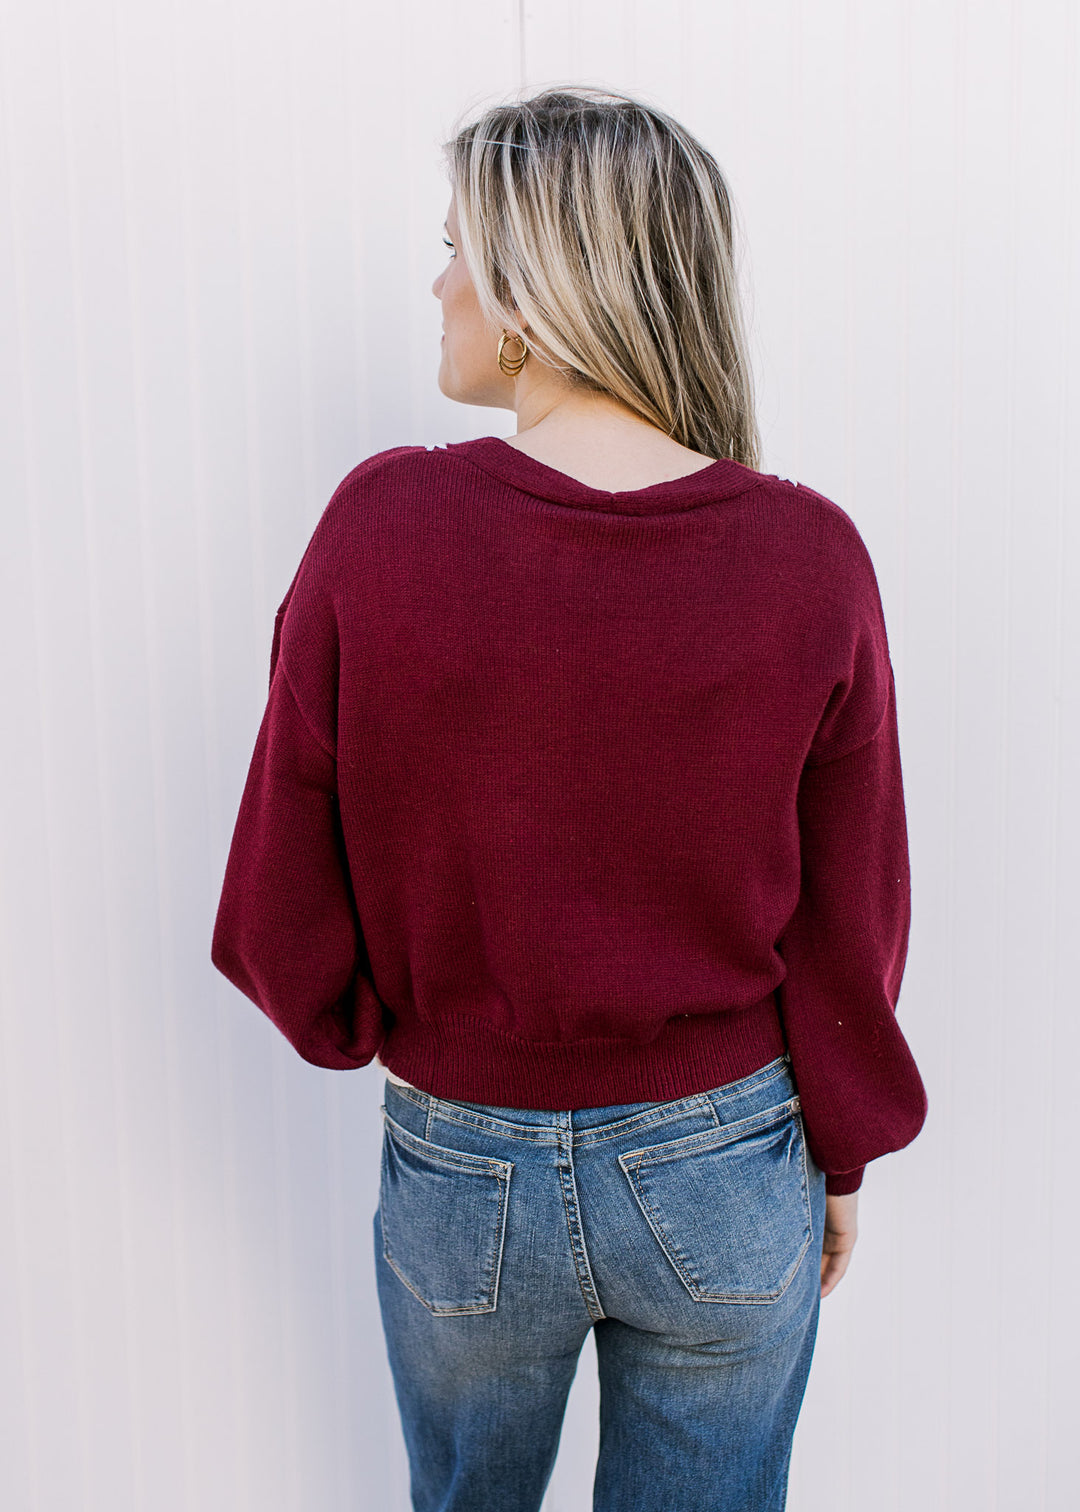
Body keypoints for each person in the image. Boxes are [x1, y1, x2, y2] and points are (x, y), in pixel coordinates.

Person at [211, 85, 928, 1512]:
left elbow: (278, 890)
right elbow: (855, 918)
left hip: (461, 1165)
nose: (437, 283)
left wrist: (396, 1043)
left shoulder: (380, 528)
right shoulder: (811, 555)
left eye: (458, 248)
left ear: (537, 290)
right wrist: (838, 1143)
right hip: (726, 1163)